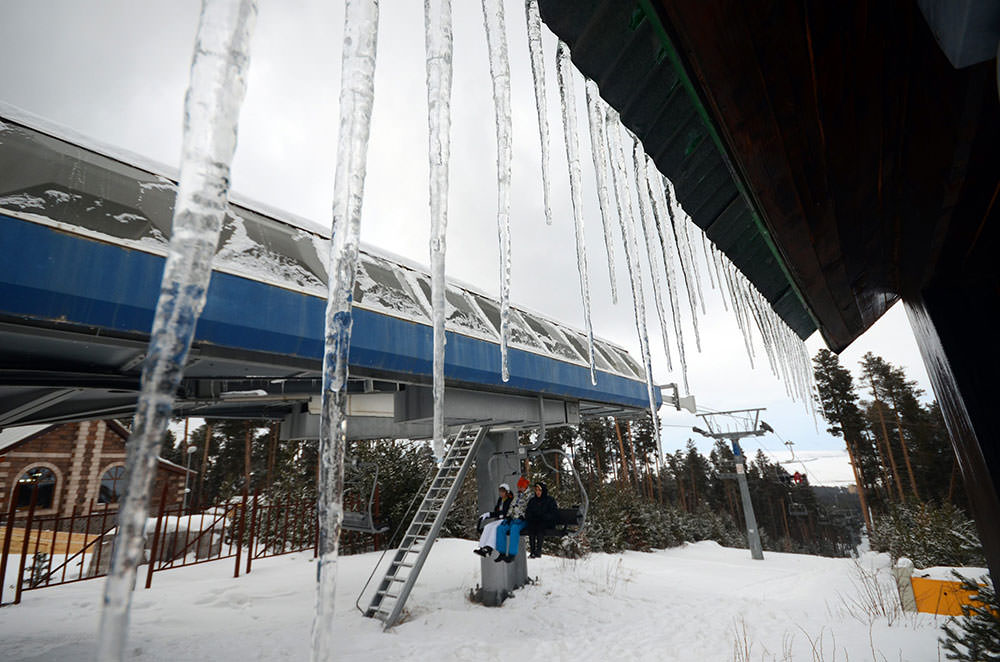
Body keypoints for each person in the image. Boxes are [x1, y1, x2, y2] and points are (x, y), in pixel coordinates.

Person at [494, 476, 531, 563]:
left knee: (514, 528)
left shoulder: (529, 496)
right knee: (500, 528)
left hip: (523, 520)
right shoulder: (517, 495)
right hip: (513, 519)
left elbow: (530, 508)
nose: (519, 488)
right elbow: (511, 506)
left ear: (525, 487)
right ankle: (502, 552)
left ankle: (512, 554)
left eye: (521, 487)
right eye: (519, 487)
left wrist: (523, 516)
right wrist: (508, 516)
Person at [473, 483, 513, 557]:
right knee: (488, 526)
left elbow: (507, 511)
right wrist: (488, 514)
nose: (501, 493)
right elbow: (497, 512)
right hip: (499, 519)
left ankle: (489, 548)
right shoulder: (500, 500)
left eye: (503, 491)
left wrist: (501, 515)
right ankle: (482, 547)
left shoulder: (510, 500)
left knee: (495, 528)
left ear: (507, 492)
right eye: (500, 491)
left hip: (507, 520)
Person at [524, 481, 558, 558]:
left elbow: (554, 512)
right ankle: (532, 551)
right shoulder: (533, 501)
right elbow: (528, 511)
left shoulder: (550, 500)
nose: (538, 492)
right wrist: (530, 517)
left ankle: (538, 550)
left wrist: (545, 517)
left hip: (547, 522)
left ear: (543, 491)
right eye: (536, 490)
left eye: (540, 490)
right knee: (531, 528)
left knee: (540, 527)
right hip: (535, 522)